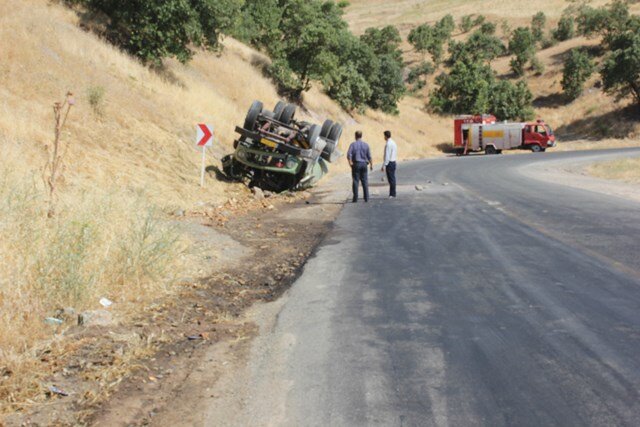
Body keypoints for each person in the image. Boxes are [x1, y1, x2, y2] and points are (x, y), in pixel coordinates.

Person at [347, 131, 373, 203]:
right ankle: (366, 197)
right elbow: (369, 156)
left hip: (356, 164)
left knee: (355, 181)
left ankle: (355, 198)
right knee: (365, 181)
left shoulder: (353, 145)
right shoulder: (366, 145)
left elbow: (349, 154)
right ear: (361, 136)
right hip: (364, 164)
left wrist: (350, 163)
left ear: (355, 136)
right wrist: (371, 164)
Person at [381, 130, 397, 198]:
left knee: (391, 179)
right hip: (393, 162)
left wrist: (384, 165)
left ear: (386, 136)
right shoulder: (393, 142)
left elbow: (387, 156)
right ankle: (393, 193)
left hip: (389, 163)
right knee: (392, 178)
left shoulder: (388, 144)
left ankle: (392, 194)